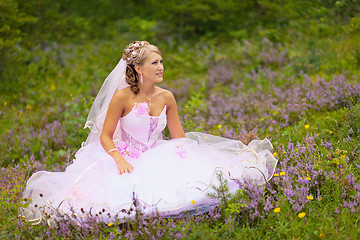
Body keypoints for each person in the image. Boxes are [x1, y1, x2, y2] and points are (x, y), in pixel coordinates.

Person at [21, 41, 277, 225]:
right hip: (124, 157)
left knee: (202, 185)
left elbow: (178, 135)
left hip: (157, 153)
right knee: (109, 200)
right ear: (139, 69)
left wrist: (191, 157)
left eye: (161, 61)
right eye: (155, 62)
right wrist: (120, 160)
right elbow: (106, 135)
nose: (161, 66)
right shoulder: (122, 97)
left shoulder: (167, 97)